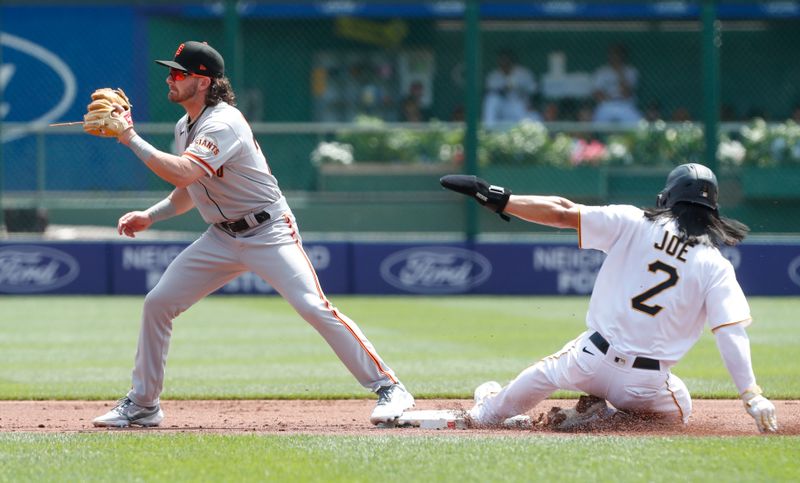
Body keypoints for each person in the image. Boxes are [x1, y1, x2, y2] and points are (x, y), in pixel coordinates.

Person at [87, 41, 414, 427]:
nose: (169, 79)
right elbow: (188, 190)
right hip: (221, 238)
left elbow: (183, 172)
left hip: (268, 230)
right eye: (170, 72)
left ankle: (390, 387)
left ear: (203, 81)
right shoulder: (184, 126)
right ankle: (143, 404)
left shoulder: (223, 122)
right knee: (158, 303)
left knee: (312, 305)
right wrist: (150, 215)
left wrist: (129, 136)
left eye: (179, 73)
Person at [439, 165, 778, 433]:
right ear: (713, 209)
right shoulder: (715, 265)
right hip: (645, 384)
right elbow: (730, 333)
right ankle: (600, 420)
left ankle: (489, 409)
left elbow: (561, 212)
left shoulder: (635, 222)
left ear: (667, 198)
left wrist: (501, 198)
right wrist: (752, 396)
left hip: (590, 359)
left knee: (544, 375)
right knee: (680, 412)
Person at [482, 49, 537, 128]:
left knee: (533, 117)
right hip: (503, 107)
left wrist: (531, 105)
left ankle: (523, 131)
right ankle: (489, 128)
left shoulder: (523, 73)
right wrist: (504, 89)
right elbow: (489, 92)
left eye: (506, 61)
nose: (504, 64)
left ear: (512, 62)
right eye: (502, 62)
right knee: (491, 99)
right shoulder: (494, 76)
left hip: (520, 106)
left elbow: (535, 91)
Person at [591, 43, 642, 124]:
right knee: (598, 120)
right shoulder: (602, 71)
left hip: (626, 105)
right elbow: (597, 93)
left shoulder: (631, 71)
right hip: (606, 105)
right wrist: (609, 99)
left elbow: (627, 93)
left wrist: (620, 73)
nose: (615, 57)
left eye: (618, 54)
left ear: (623, 56)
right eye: (612, 54)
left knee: (637, 122)